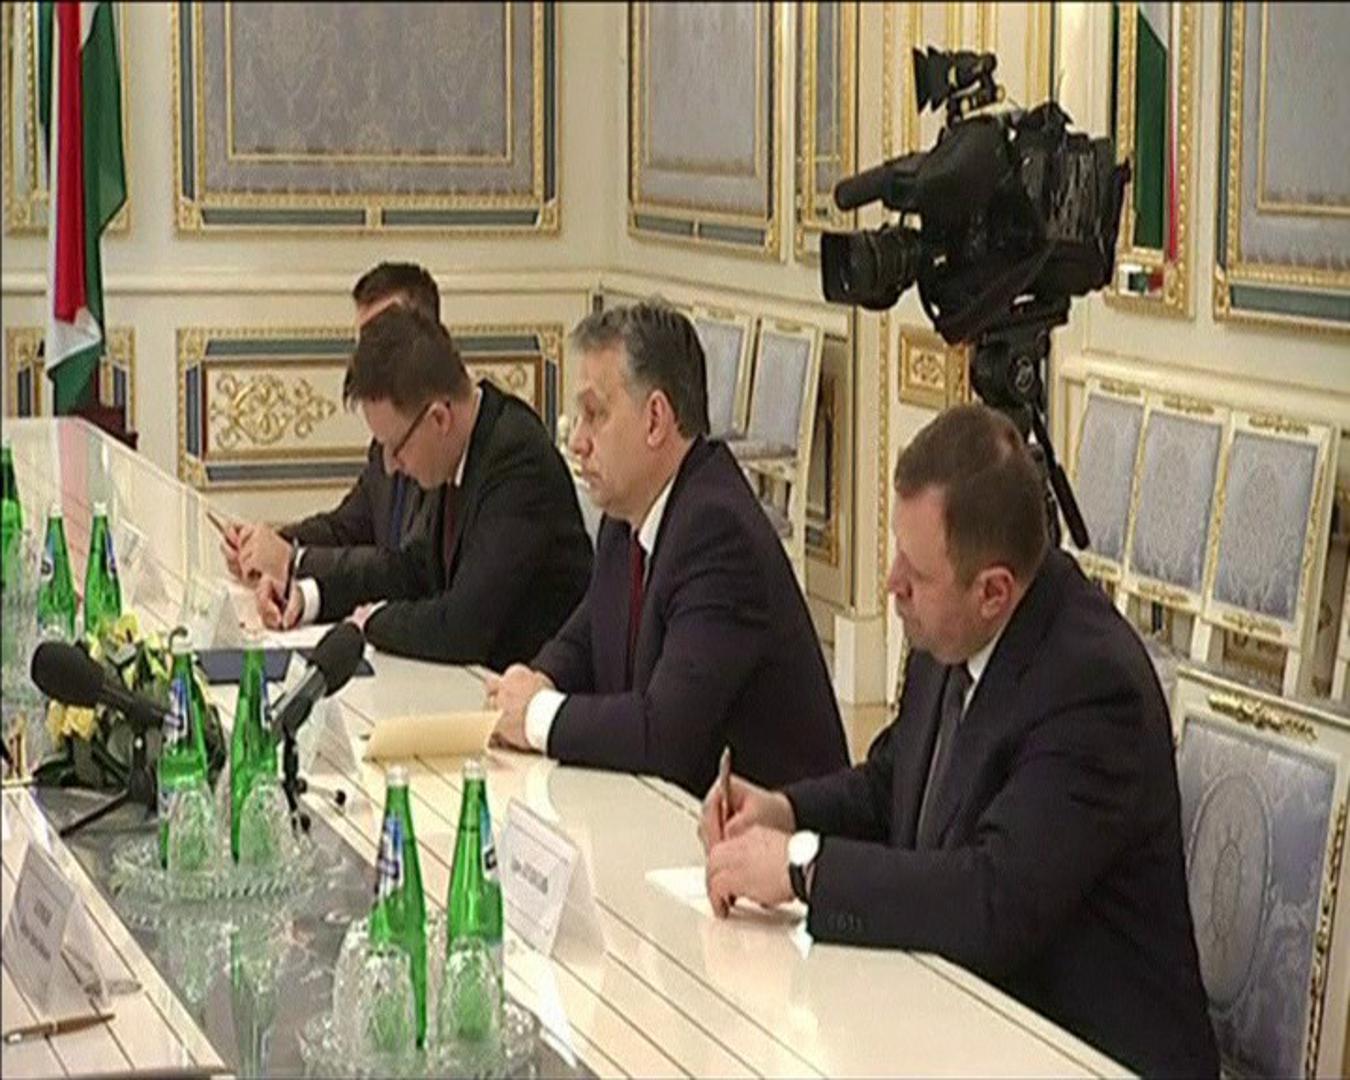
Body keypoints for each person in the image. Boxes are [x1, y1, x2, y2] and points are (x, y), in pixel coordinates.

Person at [698, 404, 1219, 1078]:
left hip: (1084, 1052)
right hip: (967, 1017)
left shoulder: (1092, 689)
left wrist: (804, 868)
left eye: (915, 573)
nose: (893, 585)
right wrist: (784, 811)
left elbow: (993, 899)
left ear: (993, 591)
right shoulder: (951, 630)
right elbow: (894, 785)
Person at [487, 302, 849, 797]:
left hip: (765, 830)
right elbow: (588, 636)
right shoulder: (627, 514)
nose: (578, 442)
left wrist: (537, 717)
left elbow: (665, 734)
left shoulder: (717, 533)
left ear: (656, 419)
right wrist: (535, 680)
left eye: (595, 415)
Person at [255, 306, 592, 671]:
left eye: (396, 447)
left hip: (527, 690)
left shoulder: (517, 462)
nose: (391, 466)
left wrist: (372, 623)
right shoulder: (449, 451)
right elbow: (414, 571)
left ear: (439, 419)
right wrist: (309, 595)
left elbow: (464, 626)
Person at [222, 262, 441, 585]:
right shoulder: (385, 439)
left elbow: (407, 571)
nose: (364, 359)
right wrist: (269, 544)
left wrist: (293, 562)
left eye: (378, 341)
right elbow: (347, 527)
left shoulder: (444, 441)